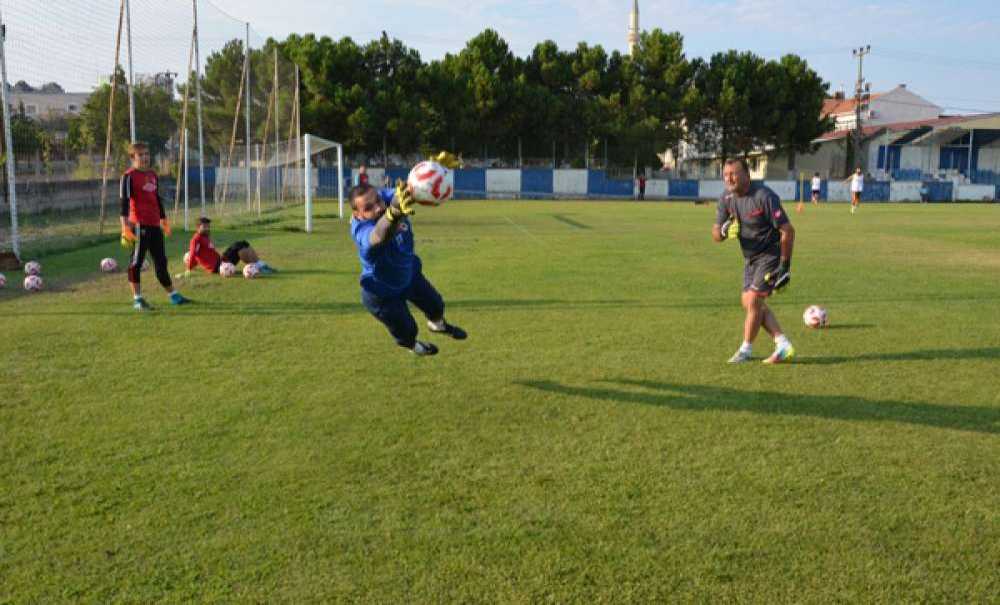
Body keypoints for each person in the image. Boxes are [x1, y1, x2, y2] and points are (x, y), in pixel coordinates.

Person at [349, 157, 466, 356]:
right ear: (358, 214)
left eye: (377, 200)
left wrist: (435, 171)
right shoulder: (362, 230)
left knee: (436, 306)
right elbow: (379, 235)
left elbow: (413, 189)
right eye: (368, 208)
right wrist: (393, 213)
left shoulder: (384, 200)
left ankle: (438, 325)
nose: (377, 207)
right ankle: (415, 347)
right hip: (382, 293)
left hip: (409, 275)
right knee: (407, 331)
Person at [713, 158, 796, 364]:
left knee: (753, 301)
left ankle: (745, 350)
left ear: (747, 176)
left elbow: (787, 231)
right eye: (725, 174)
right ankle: (782, 343)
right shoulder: (726, 198)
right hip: (750, 258)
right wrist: (723, 231)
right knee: (749, 303)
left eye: (734, 174)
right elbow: (715, 232)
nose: (729, 178)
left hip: (771, 254)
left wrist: (785, 266)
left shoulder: (764, 196)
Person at [119, 142, 190, 311]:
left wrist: (163, 219)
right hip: (138, 225)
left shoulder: (152, 174)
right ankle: (138, 299)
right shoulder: (128, 176)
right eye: (141, 154)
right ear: (132, 157)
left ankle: (173, 295)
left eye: (147, 154)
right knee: (136, 262)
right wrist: (125, 228)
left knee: (161, 261)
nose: (145, 157)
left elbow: (156, 199)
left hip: (154, 225)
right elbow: (124, 204)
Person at [178, 217, 275, 277]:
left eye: (208, 226)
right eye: (204, 226)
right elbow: (193, 254)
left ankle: (261, 265)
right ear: (198, 228)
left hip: (220, 261)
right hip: (218, 267)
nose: (207, 228)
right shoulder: (196, 239)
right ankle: (259, 267)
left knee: (243, 243)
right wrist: (188, 269)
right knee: (238, 246)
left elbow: (201, 256)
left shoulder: (205, 236)